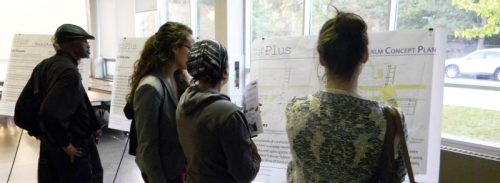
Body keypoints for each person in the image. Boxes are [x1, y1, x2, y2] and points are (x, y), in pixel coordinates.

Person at [285, 12, 408, 182]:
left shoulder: (295, 109)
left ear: (322, 59)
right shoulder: (389, 119)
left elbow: (294, 170)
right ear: (365, 55)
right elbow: (397, 177)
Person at [16, 23, 103, 183]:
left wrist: (42, 134)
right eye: (83, 40)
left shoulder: (44, 66)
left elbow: (21, 112)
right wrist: (66, 145)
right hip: (73, 151)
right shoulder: (69, 72)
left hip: (51, 149)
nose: (88, 45)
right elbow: (49, 113)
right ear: (71, 43)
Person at [176, 40, 261, 183]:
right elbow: (244, 174)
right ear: (225, 72)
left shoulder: (184, 101)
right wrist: (255, 155)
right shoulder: (229, 114)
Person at [127, 21, 193, 183]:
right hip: (162, 173)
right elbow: (147, 145)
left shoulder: (176, 77)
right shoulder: (150, 86)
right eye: (190, 48)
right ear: (175, 48)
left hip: (176, 167)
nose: (194, 54)